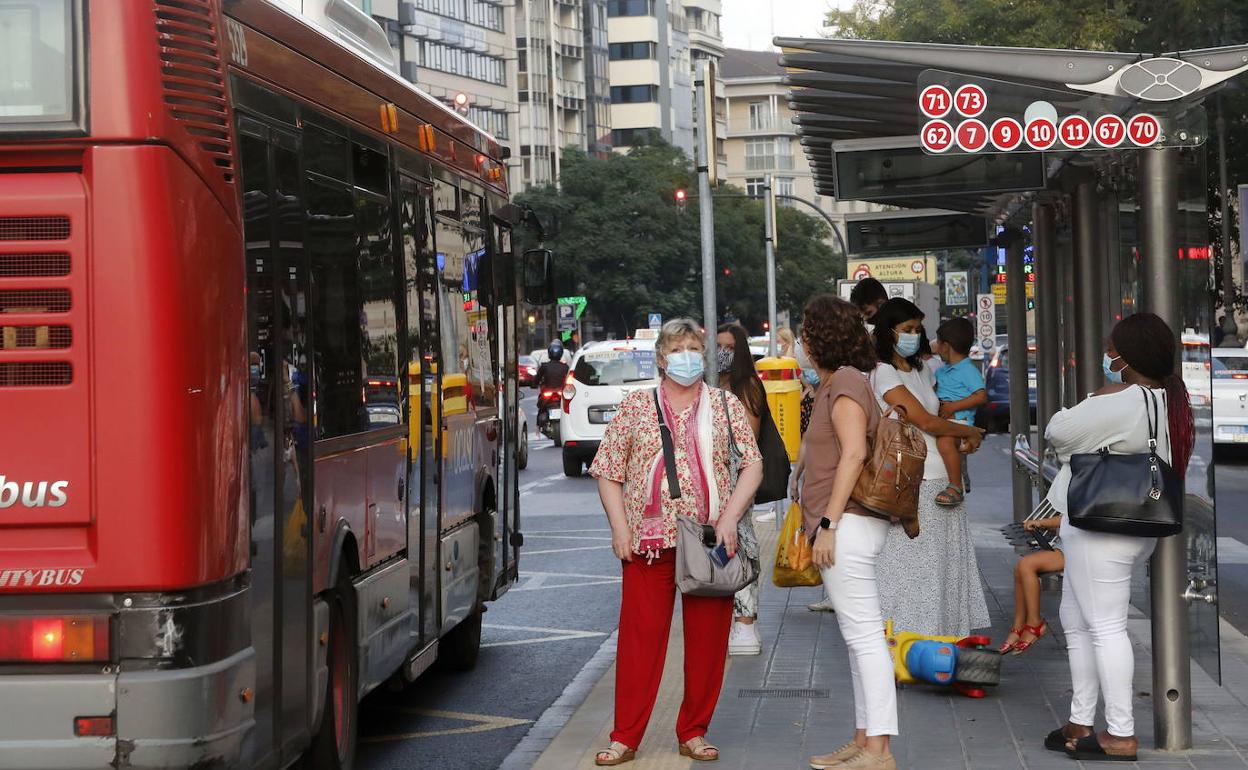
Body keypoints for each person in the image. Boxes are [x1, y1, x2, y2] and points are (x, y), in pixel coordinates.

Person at [589, 319, 763, 766]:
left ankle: (693, 731)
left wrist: (729, 518)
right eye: (678, 348)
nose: (687, 356)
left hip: (708, 542)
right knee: (639, 643)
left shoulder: (724, 404)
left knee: (707, 643)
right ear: (662, 358)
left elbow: (753, 465)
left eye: (694, 348)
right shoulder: (636, 408)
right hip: (648, 543)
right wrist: (619, 529)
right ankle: (625, 737)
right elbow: (608, 471)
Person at [1041, 313, 1194, 762]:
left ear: (1126, 358)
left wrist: (1096, 397)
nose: (1107, 356)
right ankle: (1080, 719)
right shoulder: (1168, 399)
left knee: (1105, 626)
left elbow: (1057, 432)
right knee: (1078, 619)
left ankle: (1120, 733)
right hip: (1130, 525)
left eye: (1111, 350)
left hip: (1101, 527)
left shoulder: (1122, 400)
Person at [801, 294, 897, 770]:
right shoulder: (838, 382)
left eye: (805, 329)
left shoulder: (844, 381)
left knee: (865, 639)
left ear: (819, 337)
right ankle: (863, 740)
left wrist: (828, 524)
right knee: (858, 639)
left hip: (849, 524)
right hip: (850, 523)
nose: (800, 339)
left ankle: (879, 750)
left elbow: (854, 453)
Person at [870, 298, 990, 637]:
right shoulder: (883, 373)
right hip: (911, 482)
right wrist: (968, 431)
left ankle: (942, 640)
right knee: (909, 568)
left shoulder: (924, 370)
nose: (914, 335)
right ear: (887, 332)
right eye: (906, 329)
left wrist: (961, 434)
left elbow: (939, 418)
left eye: (917, 329)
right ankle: (904, 642)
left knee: (944, 567)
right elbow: (925, 421)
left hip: (942, 479)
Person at [716, 322, 768, 656]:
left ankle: (746, 622)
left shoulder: (746, 385)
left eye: (730, 347)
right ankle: (728, 617)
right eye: (718, 346)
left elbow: (746, 440)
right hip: (712, 481)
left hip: (737, 478)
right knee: (717, 549)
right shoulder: (709, 384)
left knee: (742, 544)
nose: (723, 353)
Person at [931, 318, 988, 506]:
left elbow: (981, 396)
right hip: (948, 421)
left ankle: (956, 485)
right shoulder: (942, 371)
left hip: (961, 422)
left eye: (938, 343)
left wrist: (953, 407)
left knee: (946, 442)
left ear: (946, 346)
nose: (936, 347)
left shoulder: (968, 370)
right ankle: (960, 477)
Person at [998, 516, 1064, 655]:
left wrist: (1041, 523)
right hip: (1069, 544)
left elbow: (1071, 517)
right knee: (1020, 569)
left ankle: (1035, 623)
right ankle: (1018, 627)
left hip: (1078, 548)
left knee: (1026, 565)